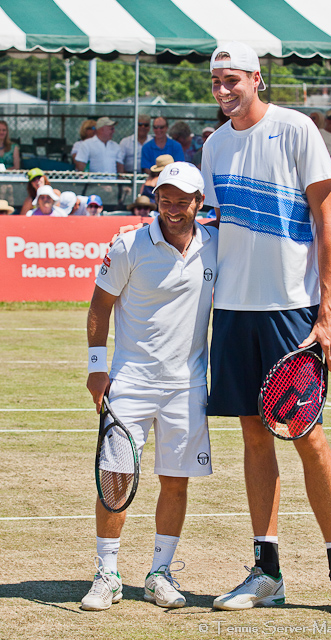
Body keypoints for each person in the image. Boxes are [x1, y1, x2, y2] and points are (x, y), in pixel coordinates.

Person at [201, 41, 331, 619]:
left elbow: (328, 224)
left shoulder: (297, 129)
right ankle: (266, 571)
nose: (224, 90)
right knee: (254, 439)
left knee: (309, 438)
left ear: (256, 78)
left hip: (290, 313)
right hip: (231, 311)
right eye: (216, 82)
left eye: (233, 80)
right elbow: (216, 229)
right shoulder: (213, 145)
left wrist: (327, 312)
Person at [81, 162, 218, 611]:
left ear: (199, 202)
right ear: (155, 197)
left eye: (182, 200)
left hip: (188, 387)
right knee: (114, 480)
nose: (172, 208)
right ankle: (107, 573)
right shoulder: (128, 244)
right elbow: (100, 306)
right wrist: (97, 369)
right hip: (130, 384)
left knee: (175, 483)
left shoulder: (216, 248)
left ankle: (159, 572)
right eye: (165, 198)